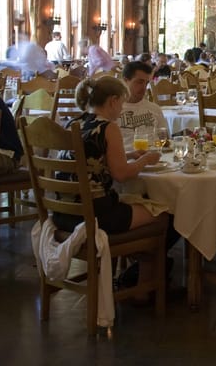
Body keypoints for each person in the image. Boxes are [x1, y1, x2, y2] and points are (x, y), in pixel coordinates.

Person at [52, 76, 170, 294]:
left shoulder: (73, 123)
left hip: (62, 213)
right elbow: (122, 174)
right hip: (96, 216)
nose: (122, 108)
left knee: (141, 204)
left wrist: (130, 154)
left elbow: (93, 157)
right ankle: (143, 287)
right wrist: (145, 160)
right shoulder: (108, 127)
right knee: (166, 214)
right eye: (122, 103)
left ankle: (131, 273)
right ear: (114, 101)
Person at [118, 61, 170, 152]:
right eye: (139, 82)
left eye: (146, 83)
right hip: (127, 160)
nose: (144, 87)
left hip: (155, 159)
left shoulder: (154, 108)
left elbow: (165, 140)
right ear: (125, 81)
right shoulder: (115, 110)